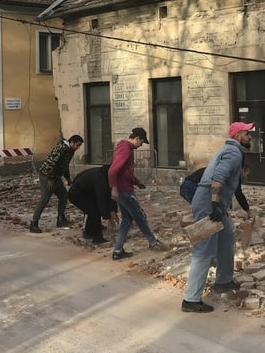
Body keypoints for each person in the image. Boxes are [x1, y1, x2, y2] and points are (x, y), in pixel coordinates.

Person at [182, 121, 254, 313]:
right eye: (247, 134)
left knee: (226, 240)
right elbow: (219, 176)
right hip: (208, 201)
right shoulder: (233, 152)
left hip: (216, 203)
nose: (250, 137)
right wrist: (214, 203)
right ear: (238, 135)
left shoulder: (230, 150)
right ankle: (191, 299)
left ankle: (223, 281)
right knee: (204, 250)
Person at [109, 127, 166, 260]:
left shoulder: (126, 148)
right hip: (124, 191)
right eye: (141, 142)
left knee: (127, 220)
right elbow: (113, 171)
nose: (141, 146)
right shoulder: (125, 149)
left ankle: (118, 251)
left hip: (124, 188)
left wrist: (137, 182)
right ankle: (152, 242)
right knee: (139, 216)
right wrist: (114, 188)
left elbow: (126, 172)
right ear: (137, 138)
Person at [29, 134, 84, 233]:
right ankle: (34, 223)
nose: (78, 147)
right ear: (72, 142)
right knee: (45, 198)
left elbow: (64, 165)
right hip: (47, 175)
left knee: (63, 195)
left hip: (56, 176)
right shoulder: (61, 148)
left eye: (79, 146)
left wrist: (67, 178)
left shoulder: (70, 150)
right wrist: (51, 178)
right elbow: (52, 162)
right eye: (77, 145)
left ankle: (61, 219)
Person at [181, 164, 253, 220]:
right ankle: (203, 233)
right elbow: (238, 194)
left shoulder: (227, 171)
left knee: (208, 211)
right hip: (190, 186)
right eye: (246, 173)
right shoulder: (231, 174)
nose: (245, 176)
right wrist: (248, 211)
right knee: (205, 210)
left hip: (190, 185)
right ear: (242, 169)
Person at [67, 165, 118, 244]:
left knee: (94, 210)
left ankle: (89, 231)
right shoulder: (101, 179)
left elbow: (109, 195)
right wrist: (107, 218)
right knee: (94, 211)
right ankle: (97, 238)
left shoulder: (104, 175)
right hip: (76, 194)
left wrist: (113, 210)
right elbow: (101, 199)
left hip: (86, 192)